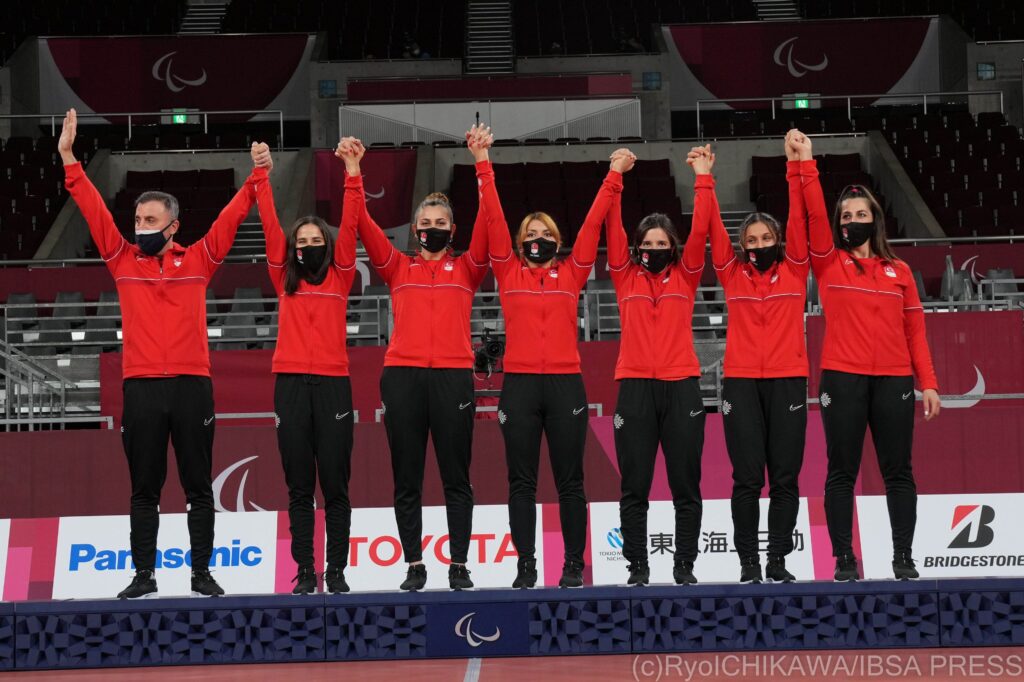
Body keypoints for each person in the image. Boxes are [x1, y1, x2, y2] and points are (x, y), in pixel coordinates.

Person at [58, 108, 257, 599]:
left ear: (172, 226)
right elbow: (92, 209)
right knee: (143, 489)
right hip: (142, 387)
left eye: (150, 220)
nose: (139, 225)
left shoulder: (200, 260)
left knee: (198, 488)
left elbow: (232, 217)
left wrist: (258, 175)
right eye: (137, 218)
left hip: (192, 386)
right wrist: (67, 157)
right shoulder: (121, 258)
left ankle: (201, 574)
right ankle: (144, 576)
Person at [338, 129, 490, 591]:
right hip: (402, 378)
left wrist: (482, 161)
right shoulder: (396, 267)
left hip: (452, 378)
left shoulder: (468, 268)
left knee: (456, 477)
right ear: (415, 227)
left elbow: (493, 222)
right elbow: (361, 222)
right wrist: (352, 171)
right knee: (407, 478)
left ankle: (459, 565)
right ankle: (414, 565)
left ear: (452, 229)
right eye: (426, 220)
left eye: (441, 221)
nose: (432, 227)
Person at [477, 138, 632, 588]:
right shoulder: (507, 271)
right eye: (531, 234)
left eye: (546, 235)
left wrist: (614, 173)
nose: (538, 239)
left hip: (566, 386)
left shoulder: (572, 272)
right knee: (521, 483)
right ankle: (526, 566)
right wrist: (483, 163)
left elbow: (593, 222)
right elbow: (493, 218)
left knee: (571, 483)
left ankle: (571, 566)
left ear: (558, 242)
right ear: (521, 242)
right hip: (521, 388)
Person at [795, 130, 942, 581]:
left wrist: (929, 382)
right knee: (842, 472)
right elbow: (814, 212)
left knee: (899, 472)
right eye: (846, 214)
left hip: (895, 381)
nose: (852, 219)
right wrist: (805, 163)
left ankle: (903, 558)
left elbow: (915, 330)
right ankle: (844, 559)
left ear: (875, 219)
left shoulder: (900, 271)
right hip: (842, 379)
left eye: (861, 213)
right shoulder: (828, 262)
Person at [249, 142, 356, 594]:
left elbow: (351, 223)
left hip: (333, 385)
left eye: (316, 241)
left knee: (335, 487)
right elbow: (269, 220)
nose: (309, 247)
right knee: (299, 488)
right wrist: (262, 174)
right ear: (292, 249)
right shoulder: (282, 276)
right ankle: (306, 571)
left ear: (327, 247)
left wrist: (353, 171)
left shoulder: (342, 274)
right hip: (290, 385)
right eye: (302, 242)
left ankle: (336, 571)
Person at [703, 136, 809, 583]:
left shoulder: (797, 267)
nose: (759, 244)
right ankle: (749, 562)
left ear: (779, 241)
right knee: (747, 480)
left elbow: (803, 216)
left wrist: (795, 167)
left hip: (788, 381)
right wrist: (704, 179)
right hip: (742, 385)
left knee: (784, 479)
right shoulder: (730, 273)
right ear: (741, 244)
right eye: (751, 239)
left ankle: (778, 561)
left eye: (766, 238)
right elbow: (709, 228)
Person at [606, 147, 709, 586]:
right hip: (634, 388)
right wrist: (616, 177)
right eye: (646, 244)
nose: (653, 249)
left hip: (681, 385)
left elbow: (702, 227)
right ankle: (638, 567)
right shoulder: (623, 275)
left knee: (686, 487)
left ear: (673, 248)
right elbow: (609, 224)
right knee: (635, 488)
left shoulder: (686, 275)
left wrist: (703, 177)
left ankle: (683, 565)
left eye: (661, 244)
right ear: (636, 248)